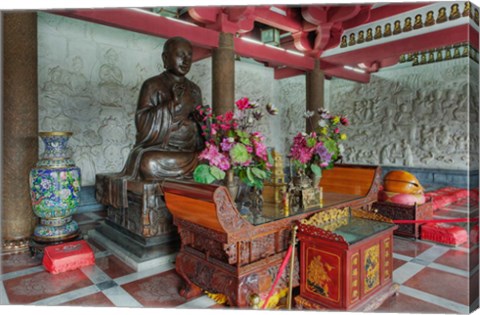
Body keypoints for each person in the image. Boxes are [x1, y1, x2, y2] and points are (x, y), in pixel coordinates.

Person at [121, 36, 204, 180]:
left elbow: (202, 127)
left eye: (189, 56)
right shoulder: (152, 85)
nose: (186, 61)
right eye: (180, 55)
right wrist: (172, 107)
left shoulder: (195, 90)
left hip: (189, 151)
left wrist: (199, 122)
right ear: (165, 58)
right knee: (148, 162)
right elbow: (142, 122)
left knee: (212, 161)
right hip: (163, 149)